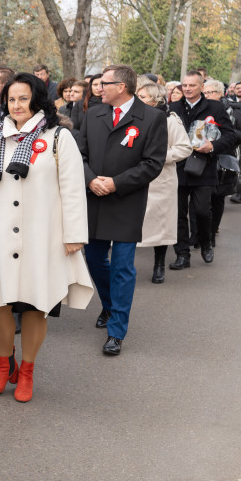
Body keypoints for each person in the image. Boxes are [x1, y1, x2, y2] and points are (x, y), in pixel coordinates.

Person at [0, 73, 91, 403]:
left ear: (37, 100)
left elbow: (74, 189)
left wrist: (74, 234)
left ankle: (27, 370)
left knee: (37, 305)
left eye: (23, 98)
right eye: (11, 99)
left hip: (43, 236)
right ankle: (4, 364)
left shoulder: (57, 137)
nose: (16, 105)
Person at [76, 64, 167, 356]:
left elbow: (152, 164)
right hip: (95, 199)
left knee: (123, 267)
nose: (98, 88)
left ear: (121, 87)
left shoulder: (152, 118)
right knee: (93, 257)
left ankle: (116, 331)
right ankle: (110, 304)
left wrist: (116, 183)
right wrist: (91, 180)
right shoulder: (93, 114)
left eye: (104, 83)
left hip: (126, 201)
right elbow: (80, 154)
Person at [167, 71, 236, 268]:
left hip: (203, 167)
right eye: (184, 85)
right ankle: (182, 254)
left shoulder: (214, 107)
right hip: (178, 167)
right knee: (178, 214)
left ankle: (206, 243)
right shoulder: (172, 108)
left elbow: (229, 136)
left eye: (192, 85)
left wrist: (212, 146)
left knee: (202, 211)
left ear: (201, 87)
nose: (187, 89)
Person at [135, 82, 192, 284]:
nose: (137, 99)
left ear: (155, 99)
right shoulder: (133, 119)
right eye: (137, 95)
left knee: (160, 225)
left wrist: (159, 156)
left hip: (161, 180)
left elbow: (185, 147)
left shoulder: (169, 120)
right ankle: (124, 266)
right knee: (131, 222)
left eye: (142, 96)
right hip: (134, 178)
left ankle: (159, 264)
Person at [203, 79, 241, 243]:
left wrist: (227, 132)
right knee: (200, 200)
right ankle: (199, 233)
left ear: (220, 94)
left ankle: (211, 232)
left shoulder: (233, 111)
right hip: (201, 160)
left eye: (211, 93)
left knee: (217, 198)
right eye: (205, 93)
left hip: (223, 161)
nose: (207, 96)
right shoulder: (198, 109)